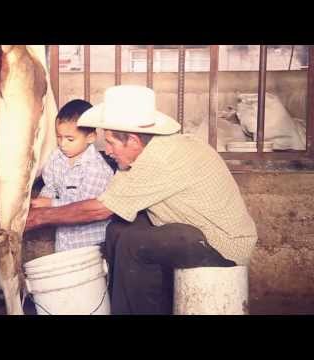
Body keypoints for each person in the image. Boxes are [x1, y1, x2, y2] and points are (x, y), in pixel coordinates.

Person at [25, 85, 258, 314]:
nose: (107, 150)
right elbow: (110, 202)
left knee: (134, 243)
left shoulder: (161, 158)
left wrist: (35, 218)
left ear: (134, 141)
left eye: (111, 143)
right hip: (191, 232)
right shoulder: (138, 157)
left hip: (222, 245)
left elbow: (98, 210)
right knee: (117, 230)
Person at [31, 99, 114, 252]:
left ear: (90, 137)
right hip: (64, 240)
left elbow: (82, 207)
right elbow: (51, 186)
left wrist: (49, 204)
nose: (62, 144)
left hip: (90, 244)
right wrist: (39, 202)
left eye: (70, 139)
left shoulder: (97, 169)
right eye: (58, 137)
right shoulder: (56, 158)